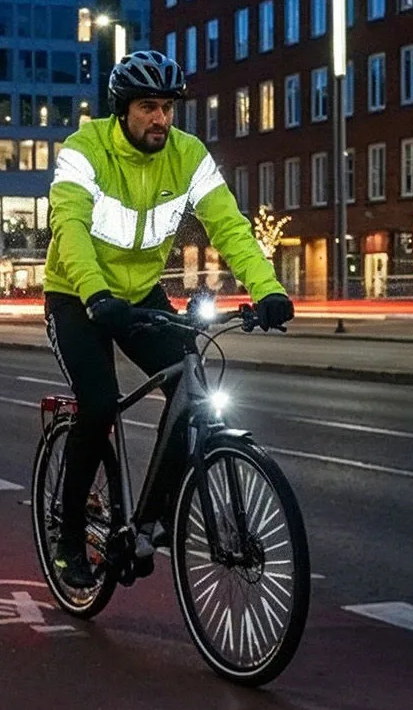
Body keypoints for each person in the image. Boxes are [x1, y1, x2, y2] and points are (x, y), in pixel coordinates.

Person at [43, 50, 293, 589]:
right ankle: (67, 539)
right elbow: (70, 228)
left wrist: (268, 289)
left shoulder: (188, 155)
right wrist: (94, 295)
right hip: (77, 296)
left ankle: (147, 522)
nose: (161, 118)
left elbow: (228, 225)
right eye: (148, 107)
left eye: (168, 108)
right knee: (100, 401)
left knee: (193, 392)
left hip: (141, 295)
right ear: (122, 110)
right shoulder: (83, 151)